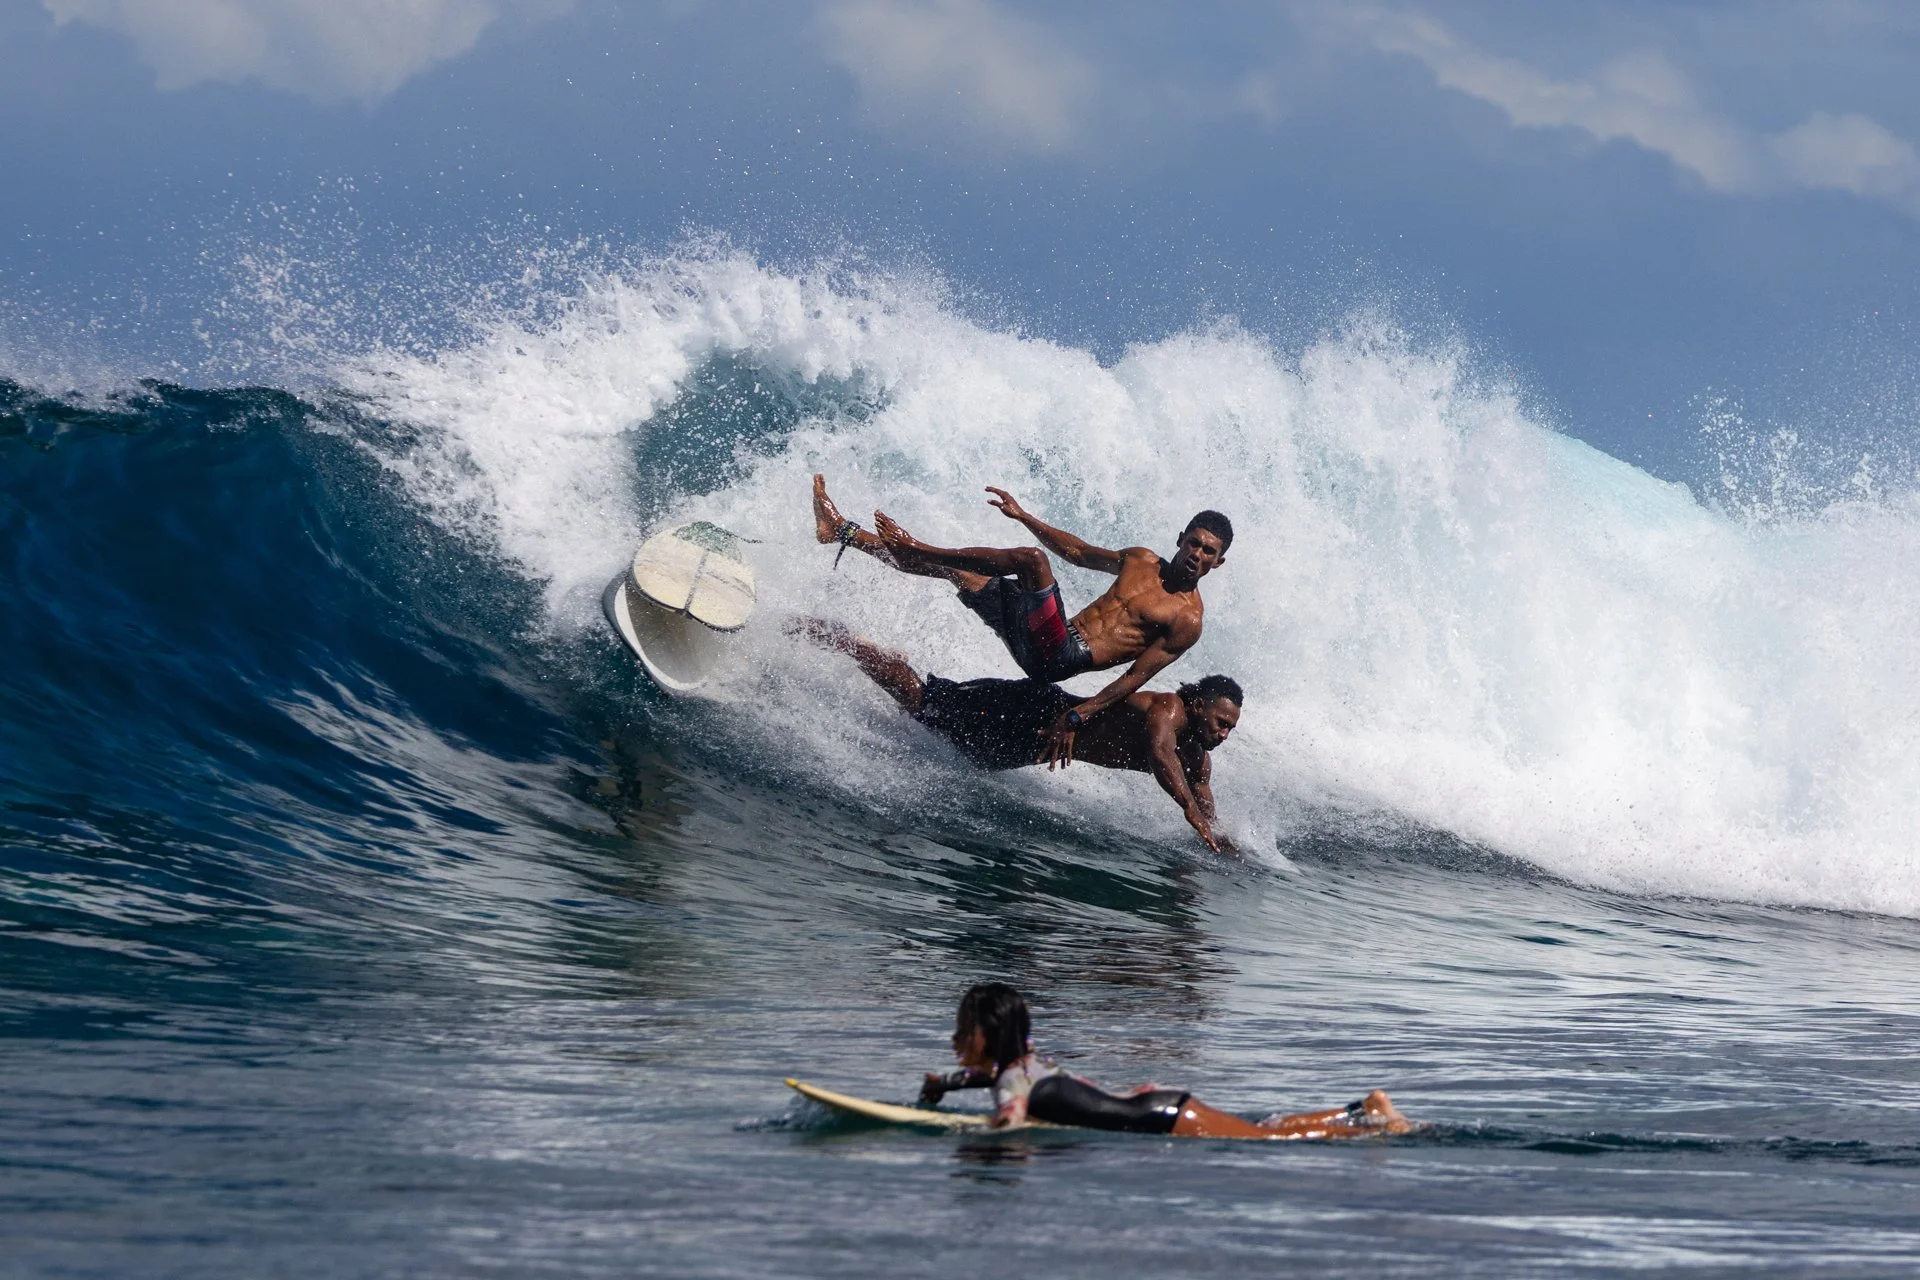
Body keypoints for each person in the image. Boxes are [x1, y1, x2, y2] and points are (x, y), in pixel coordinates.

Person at [812, 476, 1231, 766]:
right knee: (959, 573)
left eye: (1208, 551)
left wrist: (1077, 716)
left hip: (1060, 656)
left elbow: (1134, 677)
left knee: (1031, 561)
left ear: (1218, 561)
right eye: (1194, 543)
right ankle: (841, 532)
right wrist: (1024, 516)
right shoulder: (1140, 559)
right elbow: (1079, 553)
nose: (1197, 553)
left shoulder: (1187, 619)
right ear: (1180, 539)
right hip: (1046, 634)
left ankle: (915, 547)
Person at [793, 618, 1241, 854]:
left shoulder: (1198, 758)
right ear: (1199, 704)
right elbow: (1160, 756)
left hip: (1031, 746)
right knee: (924, 705)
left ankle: (891, 663)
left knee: (955, 749)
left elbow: (1202, 794)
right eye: (1221, 722)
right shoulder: (1168, 709)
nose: (1223, 734)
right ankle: (839, 638)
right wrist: (1191, 814)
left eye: (1230, 729)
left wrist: (1216, 837)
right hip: (1036, 710)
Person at [919, 983, 1413, 1139]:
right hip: (1161, 1106)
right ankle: (1363, 1108)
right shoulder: (1026, 1063)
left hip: (1166, 1120)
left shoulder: (1013, 1082)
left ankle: (1378, 1130)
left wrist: (969, 1134)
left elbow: (1010, 1117)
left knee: (1271, 1137)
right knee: (1265, 1126)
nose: (955, 1036)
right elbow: (991, 1076)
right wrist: (944, 1083)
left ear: (988, 1035)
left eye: (964, 1029)